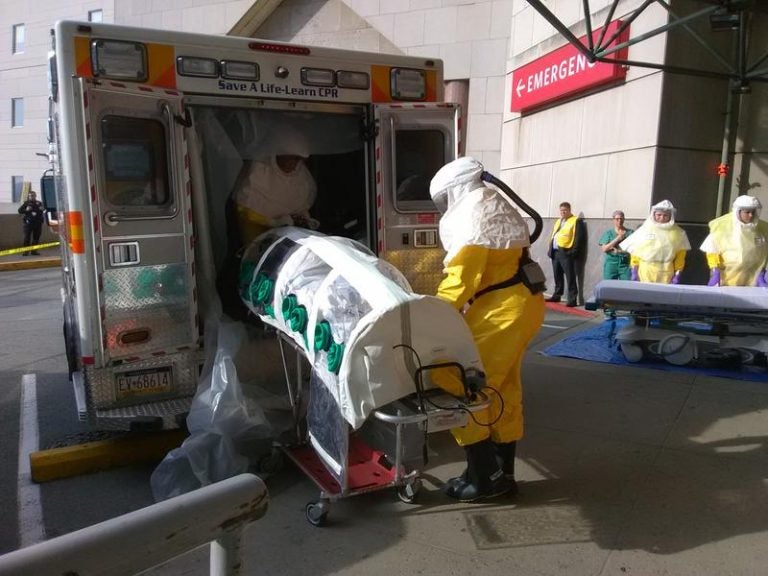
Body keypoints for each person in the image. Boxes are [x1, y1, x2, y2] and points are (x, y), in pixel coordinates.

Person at [428, 157, 546, 502]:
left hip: (502, 311)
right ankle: (501, 473)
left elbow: (459, 282)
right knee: (502, 387)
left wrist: (428, 317)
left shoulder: (475, 219)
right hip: (519, 305)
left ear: (457, 189)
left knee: (459, 383)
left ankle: (483, 478)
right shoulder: (494, 207)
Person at [233, 154, 318, 246]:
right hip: (258, 238)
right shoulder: (259, 170)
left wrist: (305, 220)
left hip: (291, 240)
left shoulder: (302, 175)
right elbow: (246, 208)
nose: (294, 162)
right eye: (290, 156)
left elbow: (303, 205)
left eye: (298, 158)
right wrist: (273, 222)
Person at [700, 195, 768, 287]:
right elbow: (712, 250)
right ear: (738, 211)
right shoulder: (722, 226)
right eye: (747, 212)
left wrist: (762, 273)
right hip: (726, 278)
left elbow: (764, 252)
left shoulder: (763, 228)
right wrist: (715, 271)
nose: (751, 215)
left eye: (753, 212)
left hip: (753, 278)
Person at [619, 199, 690, 284]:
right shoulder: (644, 230)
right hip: (646, 270)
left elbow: (680, 255)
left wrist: (678, 273)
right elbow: (636, 251)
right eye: (659, 215)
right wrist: (634, 270)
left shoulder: (678, 233)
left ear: (671, 216)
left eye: (665, 215)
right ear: (654, 214)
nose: (662, 218)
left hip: (666, 272)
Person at [546, 202, 586, 306]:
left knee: (570, 276)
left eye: (565, 210)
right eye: (561, 210)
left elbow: (579, 238)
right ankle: (557, 295)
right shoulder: (559, 221)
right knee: (557, 274)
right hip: (555, 251)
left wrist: (573, 252)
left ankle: (572, 299)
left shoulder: (576, 220)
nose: (563, 212)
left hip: (566, 251)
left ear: (569, 210)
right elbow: (554, 234)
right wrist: (550, 248)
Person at [598, 210, 633, 280]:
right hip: (611, 263)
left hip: (625, 264)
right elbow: (604, 249)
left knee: (626, 286)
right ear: (613, 220)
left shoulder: (630, 233)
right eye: (617, 219)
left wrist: (621, 252)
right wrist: (617, 238)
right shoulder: (608, 233)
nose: (619, 221)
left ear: (624, 219)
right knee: (609, 285)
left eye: (621, 218)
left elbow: (634, 249)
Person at [18, 190, 45, 256]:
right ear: (29, 196)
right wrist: (26, 210)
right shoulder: (26, 203)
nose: (32, 197)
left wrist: (42, 209)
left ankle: (34, 251)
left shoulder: (39, 203)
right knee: (27, 238)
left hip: (38, 223)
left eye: (33, 195)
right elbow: (19, 211)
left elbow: (43, 210)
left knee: (36, 238)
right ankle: (25, 252)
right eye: (30, 196)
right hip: (28, 223)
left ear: (35, 196)